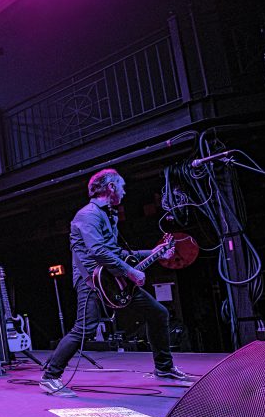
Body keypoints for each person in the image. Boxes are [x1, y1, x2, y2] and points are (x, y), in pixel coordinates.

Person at [40, 168, 187, 396]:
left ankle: (164, 368)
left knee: (158, 313)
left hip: (114, 278)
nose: (124, 191)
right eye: (122, 186)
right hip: (91, 280)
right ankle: (50, 376)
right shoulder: (88, 215)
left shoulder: (109, 215)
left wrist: (155, 252)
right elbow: (98, 251)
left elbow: (117, 253)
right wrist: (131, 272)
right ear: (110, 187)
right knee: (85, 328)